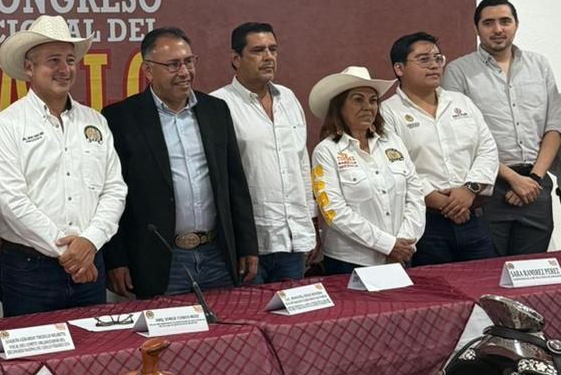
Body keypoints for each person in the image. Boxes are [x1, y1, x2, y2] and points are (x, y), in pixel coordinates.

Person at [102, 26, 258, 299]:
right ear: (148, 70)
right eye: (173, 65)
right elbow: (111, 194)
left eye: (189, 62)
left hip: (217, 255)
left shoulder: (215, 110)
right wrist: (116, 260)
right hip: (160, 259)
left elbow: (235, 183)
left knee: (226, 325)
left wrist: (247, 246)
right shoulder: (121, 118)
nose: (184, 72)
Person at [0, 15, 126, 316]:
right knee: (31, 347)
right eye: (53, 61)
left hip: (90, 261)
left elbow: (114, 190)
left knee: (95, 346)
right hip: (30, 270)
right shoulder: (7, 125)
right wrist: (70, 252)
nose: (65, 69)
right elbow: (10, 201)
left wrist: (89, 242)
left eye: (70, 60)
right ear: (29, 68)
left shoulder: (95, 121)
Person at [443, 0, 561, 256]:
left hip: (536, 185)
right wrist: (513, 179)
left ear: (516, 24)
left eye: (505, 21)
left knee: (533, 271)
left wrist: (533, 179)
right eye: (488, 23)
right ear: (476, 28)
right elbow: (461, 138)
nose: (497, 29)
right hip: (488, 187)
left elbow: (554, 126)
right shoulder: (458, 71)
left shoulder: (539, 65)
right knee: (488, 271)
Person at [211, 22, 317, 283]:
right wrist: (238, 242)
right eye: (258, 50)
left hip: (293, 239)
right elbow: (220, 181)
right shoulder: (218, 104)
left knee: (294, 310)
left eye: (273, 49)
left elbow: (301, 163)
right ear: (236, 59)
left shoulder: (288, 98)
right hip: (249, 245)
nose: (268, 57)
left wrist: (310, 222)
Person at [382, 32, 498, 266]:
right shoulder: (387, 112)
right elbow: (395, 166)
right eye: (424, 59)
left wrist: (469, 190)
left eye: (438, 58)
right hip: (425, 221)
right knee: (434, 287)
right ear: (399, 68)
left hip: (471, 215)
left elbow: (487, 149)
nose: (434, 65)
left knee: (485, 280)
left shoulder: (461, 102)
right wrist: (438, 200)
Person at [309, 66, 425, 274]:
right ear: (339, 106)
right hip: (350, 260)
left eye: (373, 101)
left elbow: (415, 193)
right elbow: (333, 210)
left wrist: (405, 240)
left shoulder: (393, 142)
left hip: (400, 254)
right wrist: (387, 245)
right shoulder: (326, 151)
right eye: (358, 100)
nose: (368, 107)